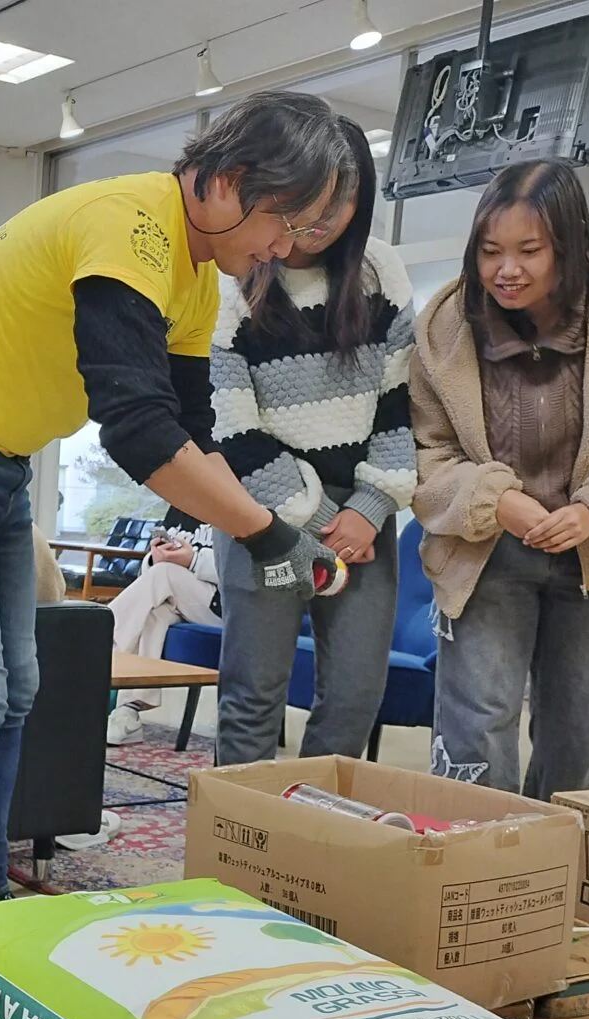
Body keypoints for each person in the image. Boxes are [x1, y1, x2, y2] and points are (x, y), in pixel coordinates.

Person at [0, 90, 358, 991]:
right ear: (230, 181)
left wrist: (279, 526)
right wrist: (264, 535)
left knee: (13, 691)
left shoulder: (195, 279)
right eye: (284, 219)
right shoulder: (129, 226)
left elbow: (192, 434)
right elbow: (134, 430)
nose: (284, 247)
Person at [411, 161, 589, 799]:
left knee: (576, 734)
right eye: (490, 251)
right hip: (484, 552)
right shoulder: (446, 325)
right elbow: (427, 448)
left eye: (529, 250)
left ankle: (549, 854)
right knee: (475, 727)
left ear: (569, 246)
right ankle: (475, 853)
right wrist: (495, 501)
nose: (506, 270)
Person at [211, 116, 415, 765]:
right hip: (261, 512)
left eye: (344, 197)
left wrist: (370, 510)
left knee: (354, 695)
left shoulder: (380, 270)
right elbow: (231, 429)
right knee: (253, 694)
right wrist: (324, 520)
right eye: (315, 196)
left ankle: (315, 823)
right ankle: (237, 826)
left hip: (363, 515)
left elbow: (401, 405)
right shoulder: (233, 276)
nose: (325, 217)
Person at [105, 512, 219, 744]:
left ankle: (94, 641)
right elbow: (146, 576)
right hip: (179, 598)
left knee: (164, 573)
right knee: (154, 614)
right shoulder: (179, 507)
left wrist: (194, 560)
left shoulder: (236, 506)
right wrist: (154, 559)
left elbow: (246, 569)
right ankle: (128, 711)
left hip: (226, 605)